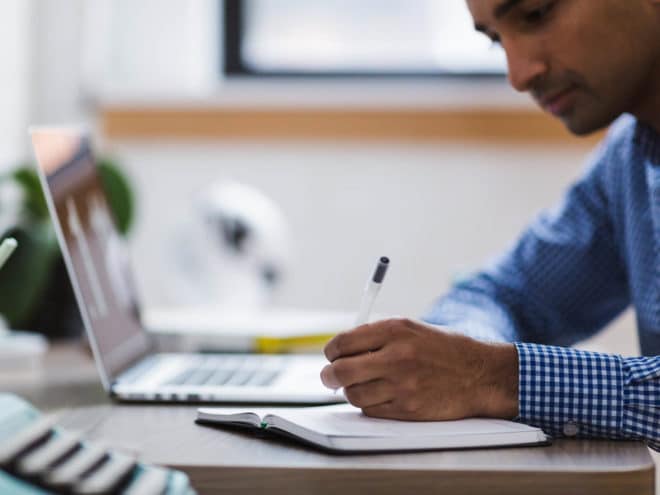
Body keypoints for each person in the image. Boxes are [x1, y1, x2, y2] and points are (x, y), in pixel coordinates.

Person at [320, 0, 660, 450]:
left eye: (536, 14)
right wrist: (451, 363)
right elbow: (503, 295)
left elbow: (489, 368)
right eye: (496, 40)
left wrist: (495, 377)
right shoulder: (631, 159)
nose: (519, 76)